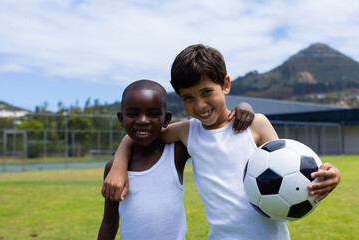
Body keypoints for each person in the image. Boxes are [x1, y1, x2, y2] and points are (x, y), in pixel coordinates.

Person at [102, 44, 341, 239]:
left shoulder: (256, 124)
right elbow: (142, 133)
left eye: (207, 92)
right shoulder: (188, 132)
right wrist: (119, 166)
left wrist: (330, 175)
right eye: (188, 97)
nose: (200, 105)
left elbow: (288, 167)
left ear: (225, 85)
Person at [98, 79, 254, 239]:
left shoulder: (177, 153)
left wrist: (244, 107)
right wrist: (119, 163)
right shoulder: (113, 170)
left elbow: (215, 132)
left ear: (166, 119)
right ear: (121, 118)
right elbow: (109, 223)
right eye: (132, 114)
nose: (142, 120)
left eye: (152, 114)